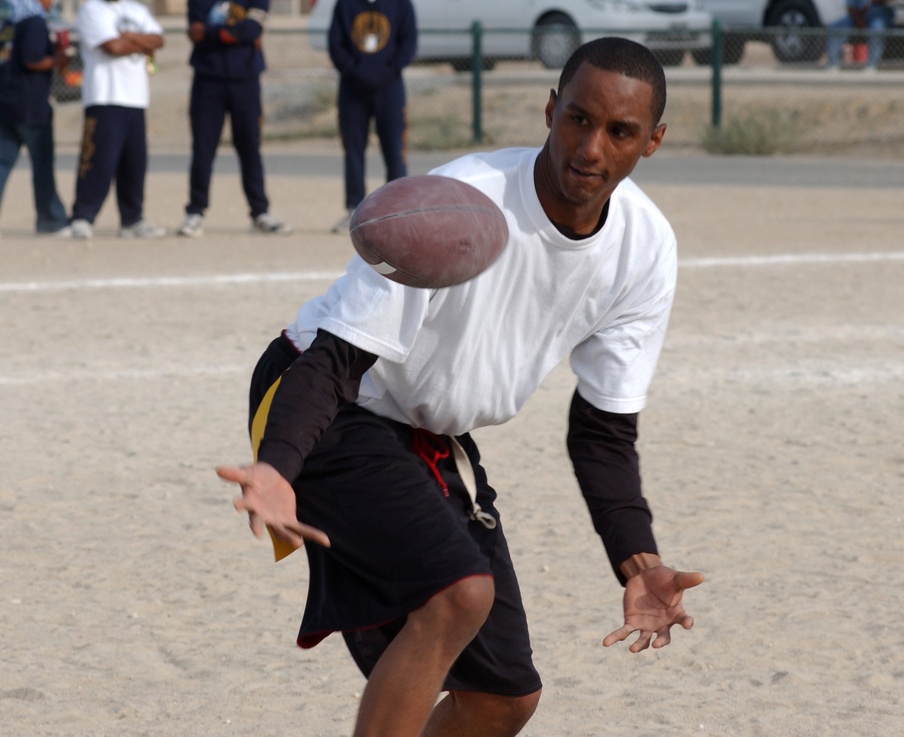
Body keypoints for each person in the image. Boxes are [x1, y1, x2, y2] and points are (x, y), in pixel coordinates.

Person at [217, 37, 704, 737]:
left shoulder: (645, 247)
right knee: (457, 593)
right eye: (577, 118)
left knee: (505, 697)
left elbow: (602, 429)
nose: (591, 147)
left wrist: (639, 558)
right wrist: (277, 467)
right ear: (549, 110)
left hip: (425, 431)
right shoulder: (460, 203)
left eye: (620, 131)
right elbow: (336, 359)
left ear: (652, 141)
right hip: (323, 396)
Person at [176, 0, 291, 238]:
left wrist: (213, 32)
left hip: (245, 80)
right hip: (207, 80)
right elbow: (194, 33)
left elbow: (252, 29)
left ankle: (260, 212)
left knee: (250, 147)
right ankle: (195, 212)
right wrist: (233, 33)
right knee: (203, 149)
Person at [65, 0, 165, 240]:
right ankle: (83, 217)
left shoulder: (136, 10)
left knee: (135, 162)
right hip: (104, 96)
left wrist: (129, 36)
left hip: (135, 98)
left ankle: (132, 219)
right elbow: (113, 47)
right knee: (98, 160)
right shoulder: (92, 9)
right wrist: (142, 42)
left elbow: (159, 40)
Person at [327, 0, 416, 232]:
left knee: (395, 150)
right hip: (352, 90)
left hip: (390, 89)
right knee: (353, 150)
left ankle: (399, 210)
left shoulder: (400, 4)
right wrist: (356, 71)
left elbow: (408, 43)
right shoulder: (345, 5)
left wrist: (386, 71)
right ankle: (354, 209)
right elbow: (335, 45)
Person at [0, 0, 70, 235]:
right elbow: (33, 59)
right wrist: (59, 60)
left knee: (2, 164)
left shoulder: (10, 23)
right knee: (42, 165)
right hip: (30, 107)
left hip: (7, 103)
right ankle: (51, 218)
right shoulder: (34, 22)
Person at [825, 0, 895, 72]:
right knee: (835, 28)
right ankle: (832, 65)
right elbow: (850, 7)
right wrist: (859, 21)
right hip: (857, 15)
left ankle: (871, 66)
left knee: (877, 29)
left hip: (878, 14)